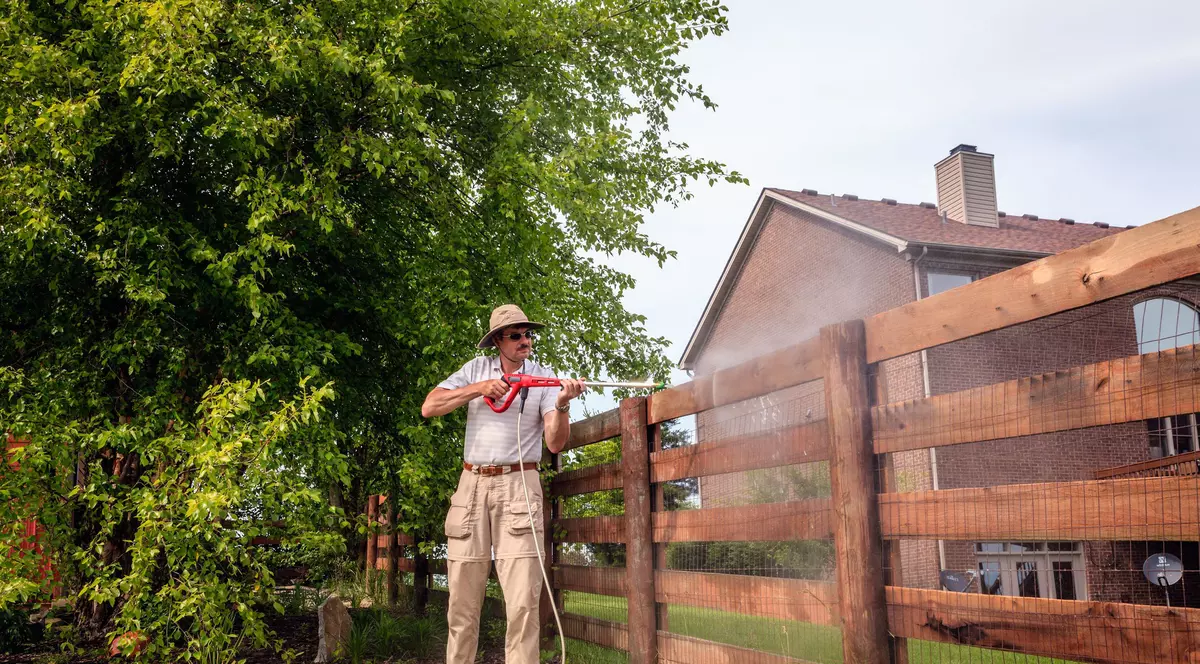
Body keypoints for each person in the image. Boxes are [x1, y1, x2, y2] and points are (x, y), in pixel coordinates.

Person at [421, 304, 585, 664]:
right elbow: (430, 406)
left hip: (519, 486)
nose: (525, 340)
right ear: (498, 340)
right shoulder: (475, 370)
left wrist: (562, 404)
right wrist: (479, 388)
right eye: (516, 335)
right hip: (471, 486)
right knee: (462, 602)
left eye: (528, 334)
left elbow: (555, 442)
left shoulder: (544, 378)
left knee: (523, 603)